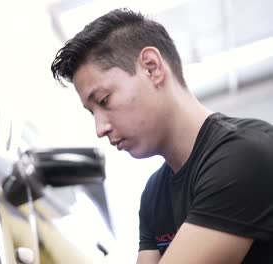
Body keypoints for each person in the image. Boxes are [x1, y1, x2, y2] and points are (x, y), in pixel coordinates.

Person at [50, 8, 273, 264]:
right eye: (92, 113)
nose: (100, 128)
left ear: (151, 68)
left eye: (104, 100)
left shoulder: (244, 156)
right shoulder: (154, 194)